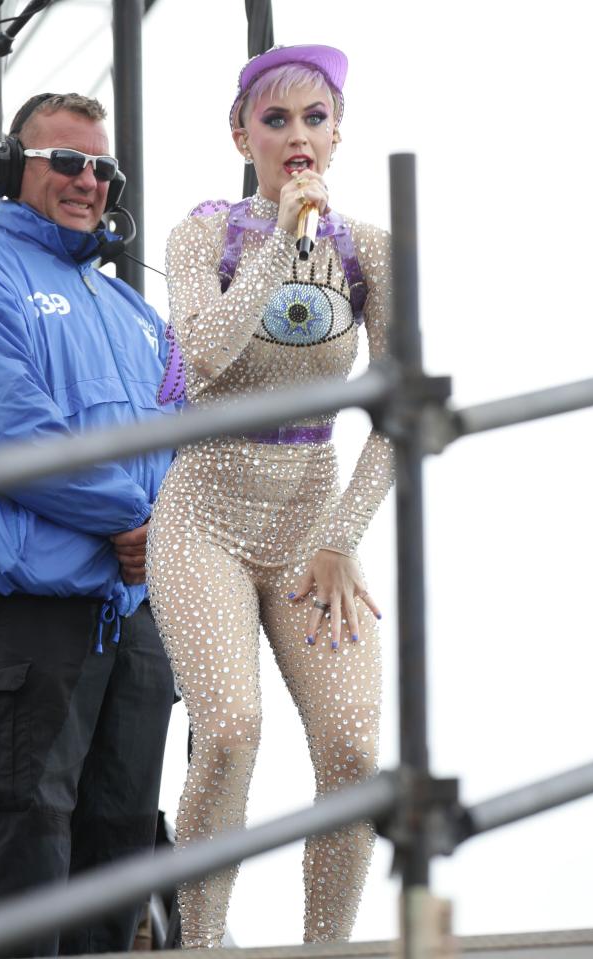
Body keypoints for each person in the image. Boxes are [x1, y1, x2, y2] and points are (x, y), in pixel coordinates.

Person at [0, 93, 177, 957]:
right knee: (22, 852)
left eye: (103, 168)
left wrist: (164, 533)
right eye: (65, 160)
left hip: (136, 623)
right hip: (33, 618)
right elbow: (10, 431)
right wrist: (138, 520)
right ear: (5, 171)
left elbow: (192, 448)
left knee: (118, 855)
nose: (87, 181)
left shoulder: (139, 316)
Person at [147, 45, 393, 946]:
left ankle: (325, 946)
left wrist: (341, 534)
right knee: (227, 734)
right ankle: (203, 943)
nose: (297, 137)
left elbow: (399, 412)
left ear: (337, 131)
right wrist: (281, 241)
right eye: (276, 119)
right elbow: (206, 355)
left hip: (311, 524)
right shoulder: (202, 234)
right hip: (205, 513)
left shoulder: (370, 249)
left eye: (314, 118)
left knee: (355, 750)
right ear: (241, 133)